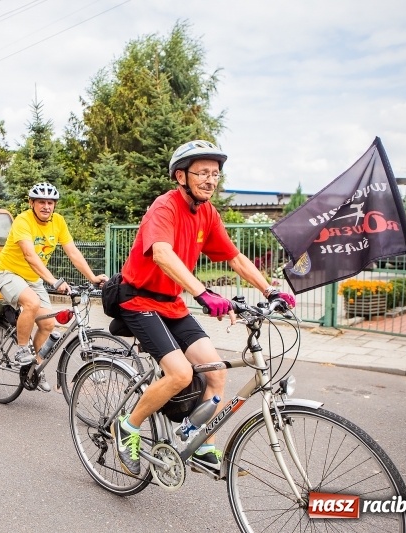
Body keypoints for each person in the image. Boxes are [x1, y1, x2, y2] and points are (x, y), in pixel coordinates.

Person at [110, 140, 296, 476]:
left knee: (216, 372)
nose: (211, 180)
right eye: (203, 173)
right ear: (181, 176)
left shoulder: (207, 213)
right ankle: (128, 426)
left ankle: (197, 439)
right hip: (138, 300)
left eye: (216, 173)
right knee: (180, 374)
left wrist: (269, 289)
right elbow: (162, 253)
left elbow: (235, 257)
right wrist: (202, 292)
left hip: (171, 304)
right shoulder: (163, 208)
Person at [0, 182, 107, 393]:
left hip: (31, 279)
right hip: (8, 273)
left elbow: (73, 253)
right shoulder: (23, 220)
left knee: (48, 324)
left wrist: (92, 277)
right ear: (32, 203)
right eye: (41, 202)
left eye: (50, 202)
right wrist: (54, 281)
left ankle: (33, 367)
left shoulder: (58, 222)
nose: (46, 206)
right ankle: (21, 349)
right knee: (32, 303)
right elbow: (30, 255)